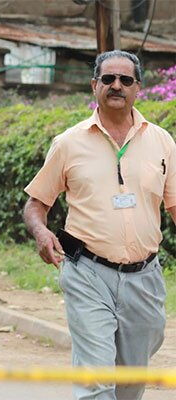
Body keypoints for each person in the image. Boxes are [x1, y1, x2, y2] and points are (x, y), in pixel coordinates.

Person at [23, 50, 176, 400]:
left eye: (125, 80)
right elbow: (36, 203)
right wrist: (42, 232)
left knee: (131, 379)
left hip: (145, 276)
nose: (116, 86)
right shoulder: (68, 143)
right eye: (108, 79)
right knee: (96, 380)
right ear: (95, 86)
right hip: (88, 273)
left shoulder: (162, 142)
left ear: (139, 88)